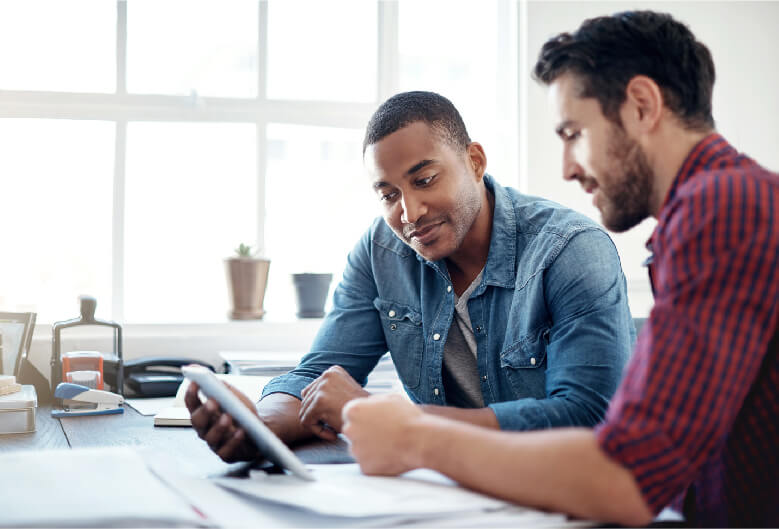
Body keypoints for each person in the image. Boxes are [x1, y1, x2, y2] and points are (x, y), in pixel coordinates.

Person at [341, 11, 779, 528]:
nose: (568, 166)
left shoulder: (726, 207)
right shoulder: (716, 209)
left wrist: (415, 437)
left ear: (641, 105)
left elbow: (626, 475)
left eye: (573, 133)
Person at [186, 91, 634, 462]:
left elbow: (588, 418)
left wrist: (392, 422)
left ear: (475, 161)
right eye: (388, 194)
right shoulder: (382, 250)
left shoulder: (571, 250)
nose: (409, 213)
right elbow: (322, 372)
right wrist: (259, 426)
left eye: (424, 180)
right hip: (443, 493)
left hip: (556, 494)